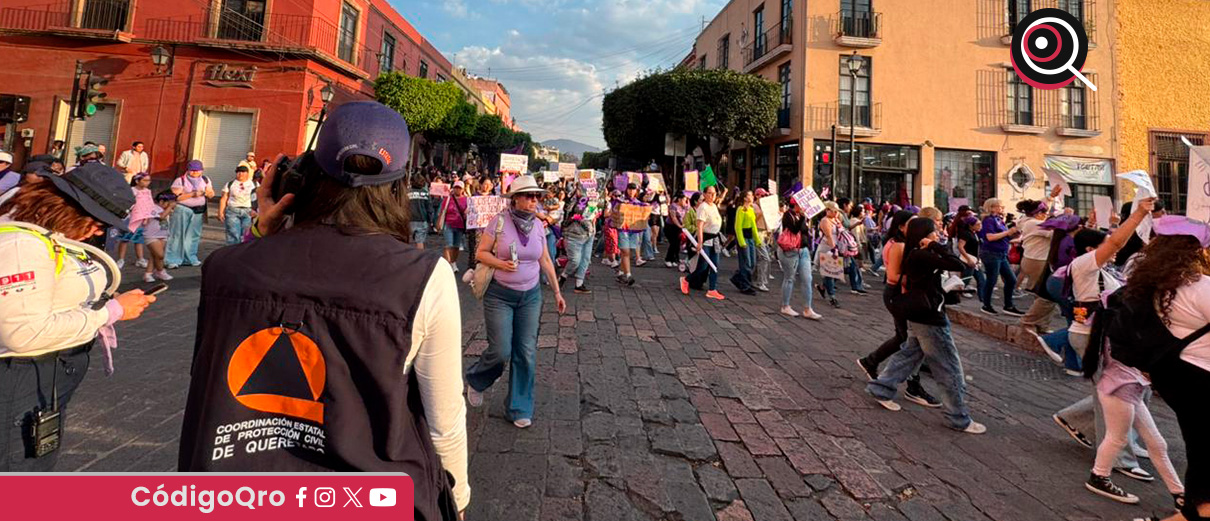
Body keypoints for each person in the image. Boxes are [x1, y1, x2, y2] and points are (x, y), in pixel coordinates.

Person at [178, 101, 469, 520]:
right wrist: (457, 499)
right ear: (399, 186)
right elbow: (445, 421)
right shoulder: (424, 276)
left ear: (297, 178)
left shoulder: (225, 268)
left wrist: (261, 231)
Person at [0, 162, 156, 471]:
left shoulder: (42, 231)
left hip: (43, 373)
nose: (99, 232)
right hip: (22, 373)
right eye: (99, 223)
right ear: (70, 209)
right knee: (18, 469)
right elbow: (24, 333)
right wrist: (112, 311)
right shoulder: (22, 245)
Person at [1121, 216, 1210, 521]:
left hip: (1174, 377)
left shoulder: (1153, 286)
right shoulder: (1200, 287)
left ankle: (1190, 512)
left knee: (1199, 447)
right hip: (1202, 378)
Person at [465, 175, 567, 429]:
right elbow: (480, 253)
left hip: (530, 295)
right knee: (501, 350)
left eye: (537, 197)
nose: (535, 201)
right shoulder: (498, 221)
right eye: (530, 196)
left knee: (526, 352)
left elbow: (544, 259)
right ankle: (477, 379)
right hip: (499, 294)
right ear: (516, 199)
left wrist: (556, 291)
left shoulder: (539, 226)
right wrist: (501, 264)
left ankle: (519, 407)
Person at [867, 217, 985, 434]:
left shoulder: (915, 253)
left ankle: (881, 387)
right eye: (934, 231)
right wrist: (934, 246)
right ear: (924, 234)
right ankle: (957, 417)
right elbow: (958, 264)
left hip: (922, 313)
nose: (938, 234)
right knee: (948, 367)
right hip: (930, 317)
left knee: (909, 355)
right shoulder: (921, 254)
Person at [856, 211, 941, 408]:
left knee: (906, 339)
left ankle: (874, 363)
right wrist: (922, 279)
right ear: (902, 226)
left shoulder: (903, 244)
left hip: (902, 294)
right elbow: (893, 276)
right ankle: (905, 383)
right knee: (910, 340)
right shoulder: (899, 245)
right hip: (900, 294)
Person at [1017, 195, 1060, 332]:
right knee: (1046, 295)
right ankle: (1029, 321)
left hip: (1035, 259)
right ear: (1038, 214)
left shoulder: (1026, 221)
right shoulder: (1033, 223)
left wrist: (1050, 197)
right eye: (1044, 213)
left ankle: (1042, 324)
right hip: (1037, 261)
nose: (1046, 215)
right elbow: (1054, 234)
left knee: (1045, 294)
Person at [978, 198, 1024, 316]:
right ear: (991, 207)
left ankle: (1008, 305)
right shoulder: (988, 220)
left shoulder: (999, 220)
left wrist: (1015, 237)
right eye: (1000, 207)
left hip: (1001, 252)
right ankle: (986, 304)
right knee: (992, 279)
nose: (1002, 209)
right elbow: (990, 237)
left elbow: (1002, 237)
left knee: (1011, 279)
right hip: (991, 253)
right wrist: (1008, 233)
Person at [778, 198, 822, 320]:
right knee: (789, 278)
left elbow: (804, 231)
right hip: (791, 251)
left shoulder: (801, 216)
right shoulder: (788, 215)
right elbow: (794, 229)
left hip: (803, 250)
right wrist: (802, 217)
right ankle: (785, 305)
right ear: (795, 205)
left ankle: (808, 308)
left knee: (807, 278)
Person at [164, 160, 213, 268]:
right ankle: (172, 259)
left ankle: (189, 258)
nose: (195, 172)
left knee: (193, 236)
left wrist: (209, 193)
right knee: (177, 234)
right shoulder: (180, 180)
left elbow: (210, 192)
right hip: (182, 209)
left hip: (198, 210)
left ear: (201, 170)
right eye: (193, 170)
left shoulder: (205, 179)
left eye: (197, 170)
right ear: (188, 170)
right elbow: (177, 197)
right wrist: (193, 194)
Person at [682, 185, 725, 300]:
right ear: (704, 194)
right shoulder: (703, 207)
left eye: (714, 193)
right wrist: (700, 242)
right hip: (705, 239)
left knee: (714, 265)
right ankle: (686, 280)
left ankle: (712, 289)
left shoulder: (714, 206)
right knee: (703, 266)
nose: (712, 195)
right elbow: (699, 226)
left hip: (715, 239)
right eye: (710, 193)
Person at [115, 173, 155, 268]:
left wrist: (148, 217)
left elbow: (150, 205)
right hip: (131, 218)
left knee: (139, 240)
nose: (147, 183)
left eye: (149, 180)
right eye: (145, 180)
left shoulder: (148, 192)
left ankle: (140, 259)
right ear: (137, 181)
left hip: (142, 219)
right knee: (125, 239)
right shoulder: (131, 191)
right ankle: (121, 259)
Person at [560, 190, 596, 294]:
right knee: (575, 260)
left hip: (589, 233)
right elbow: (571, 212)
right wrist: (582, 199)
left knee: (585, 259)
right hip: (574, 233)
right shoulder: (572, 198)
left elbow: (596, 213)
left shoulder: (595, 198)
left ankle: (579, 284)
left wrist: (598, 203)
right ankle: (563, 276)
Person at [139, 191, 177, 283]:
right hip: (151, 235)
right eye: (169, 202)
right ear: (161, 201)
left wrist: (169, 208)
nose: (170, 205)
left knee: (154, 255)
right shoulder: (153, 208)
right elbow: (161, 217)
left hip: (162, 234)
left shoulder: (166, 209)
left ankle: (148, 273)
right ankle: (160, 271)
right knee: (160, 255)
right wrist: (170, 207)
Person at [613, 183, 646, 285]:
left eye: (634, 190)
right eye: (630, 189)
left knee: (627, 252)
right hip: (623, 229)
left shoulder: (638, 202)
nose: (631, 192)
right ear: (626, 190)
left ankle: (621, 272)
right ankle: (628, 275)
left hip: (634, 230)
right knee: (625, 251)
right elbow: (614, 211)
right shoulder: (621, 200)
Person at [730, 190, 760, 295]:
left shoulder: (751, 210)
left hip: (750, 238)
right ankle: (745, 285)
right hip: (743, 238)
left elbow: (754, 226)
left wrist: (757, 239)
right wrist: (742, 242)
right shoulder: (740, 209)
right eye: (749, 195)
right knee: (746, 262)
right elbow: (737, 227)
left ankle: (738, 278)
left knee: (752, 262)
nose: (752, 197)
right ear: (744, 198)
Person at [218, 165, 257, 246]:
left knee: (246, 235)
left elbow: (259, 198)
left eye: (243, 172)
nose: (240, 174)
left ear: (247, 173)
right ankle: (231, 253)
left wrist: (257, 211)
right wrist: (220, 212)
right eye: (238, 172)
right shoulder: (230, 184)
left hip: (248, 211)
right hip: (232, 211)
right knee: (233, 234)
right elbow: (224, 198)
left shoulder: (254, 184)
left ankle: (243, 254)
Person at [815, 201, 844, 308]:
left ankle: (822, 287)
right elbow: (829, 236)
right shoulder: (825, 221)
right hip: (827, 249)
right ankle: (832, 296)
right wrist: (834, 249)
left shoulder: (836, 220)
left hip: (836, 248)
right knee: (830, 274)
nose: (836, 213)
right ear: (827, 210)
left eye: (837, 211)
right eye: (834, 211)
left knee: (837, 273)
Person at [437, 181, 469, 272]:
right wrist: (439, 222)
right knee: (448, 245)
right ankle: (448, 264)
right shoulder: (447, 199)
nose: (457, 189)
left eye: (459, 188)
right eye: (456, 187)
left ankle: (453, 262)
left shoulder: (466, 199)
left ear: (463, 189)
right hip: (449, 224)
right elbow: (442, 211)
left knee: (456, 246)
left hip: (460, 225)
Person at [954, 215, 986, 301]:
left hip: (975, 260)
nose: (980, 226)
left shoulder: (975, 233)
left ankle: (982, 298)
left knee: (981, 280)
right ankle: (956, 294)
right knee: (966, 278)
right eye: (978, 224)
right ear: (971, 225)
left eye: (980, 224)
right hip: (968, 259)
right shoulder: (966, 233)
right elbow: (960, 247)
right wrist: (968, 259)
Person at [408, 173, 432, 248]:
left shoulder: (407, 192)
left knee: (407, 240)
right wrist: (430, 221)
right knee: (420, 241)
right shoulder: (425, 194)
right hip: (422, 219)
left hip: (408, 219)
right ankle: (419, 258)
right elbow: (429, 208)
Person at [665, 193, 686, 268]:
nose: (685, 202)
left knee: (677, 244)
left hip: (679, 227)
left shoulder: (684, 207)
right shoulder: (673, 206)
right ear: (679, 199)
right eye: (684, 200)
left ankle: (675, 259)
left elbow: (685, 216)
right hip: (671, 226)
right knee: (673, 243)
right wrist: (679, 225)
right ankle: (668, 259)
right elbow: (674, 218)